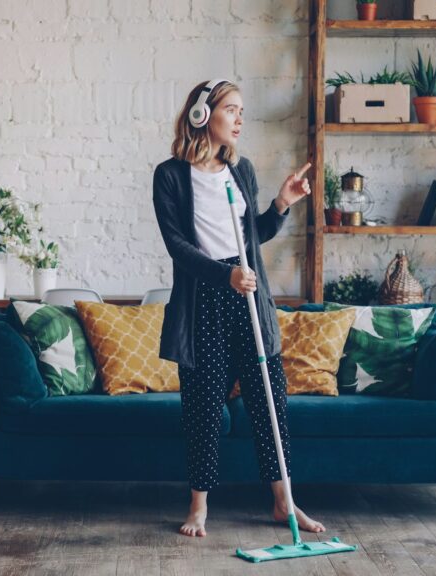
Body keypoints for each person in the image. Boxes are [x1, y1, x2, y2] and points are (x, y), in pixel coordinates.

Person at [152, 79, 321, 538]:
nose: (241, 119)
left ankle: (284, 502)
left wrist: (282, 204)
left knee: (270, 402)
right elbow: (178, 247)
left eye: (243, 110)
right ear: (202, 116)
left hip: (248, 297)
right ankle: (199, 507)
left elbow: (252, 237)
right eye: (232, 109)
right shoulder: (169, 176)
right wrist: (223, 275)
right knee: (203, 407)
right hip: (204, 298)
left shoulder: (241, 171)